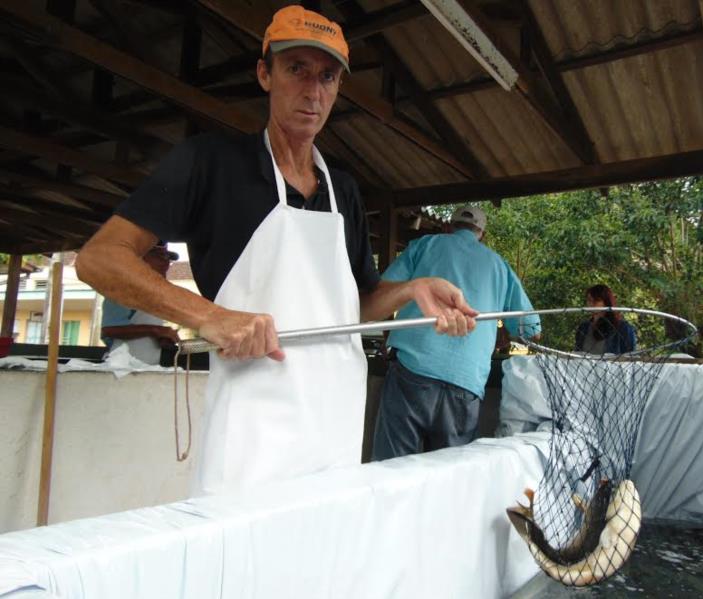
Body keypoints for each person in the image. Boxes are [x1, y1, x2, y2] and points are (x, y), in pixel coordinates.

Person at [76, 5, 477, 495]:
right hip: (251, 437)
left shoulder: (343, 190)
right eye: (297, 70)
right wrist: (209, 316)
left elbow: (359, 306)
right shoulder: (209, 164)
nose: (313, 90)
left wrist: (412, 289)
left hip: (333, 435)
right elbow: (99, 257)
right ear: (265, 73)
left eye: (328, 76)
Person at [372, 205, 542, 460]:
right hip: (466, 383)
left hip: (411, 370)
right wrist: (504, 332)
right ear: (481, 234)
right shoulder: (499, 266)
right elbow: (531, 329)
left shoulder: (425, 245)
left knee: (390, 468)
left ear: (448, 227)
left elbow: (382, 290)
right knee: (449, 478)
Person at [100, 241, 180, 365]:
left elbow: (149, 333)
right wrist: (155, 330)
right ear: (141, 260)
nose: (166, 263)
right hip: (121, 368)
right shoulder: (122, 289)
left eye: (168, 258)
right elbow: (109, 330)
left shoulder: (153, 295)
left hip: (148, 366)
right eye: (161, 257)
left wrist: (161, 339)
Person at [575, 284, 636, 354]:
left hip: (612, 365)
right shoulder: (583, 327)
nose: (591, 304)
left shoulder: (623, 328)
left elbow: (629, 357)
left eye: (596, 300)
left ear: (606, 303)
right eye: (589, 300)